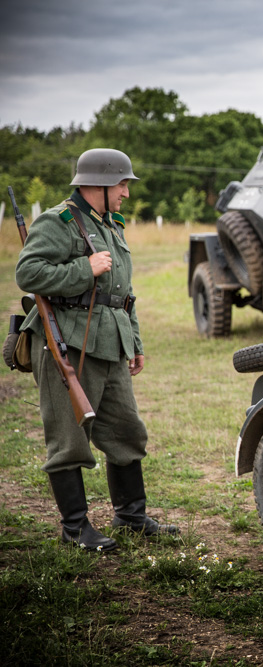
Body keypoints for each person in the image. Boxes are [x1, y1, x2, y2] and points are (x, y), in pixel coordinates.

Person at [15, 148, 178, 551]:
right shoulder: (59, 222)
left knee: (126, 431)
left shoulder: (110, 224)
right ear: (99, 185)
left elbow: (124, 293)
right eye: (122, 183)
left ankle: (131, 516)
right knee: (69, 439)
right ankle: (76, 529)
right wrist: (83, 270)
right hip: (67, 343)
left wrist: (134, 342)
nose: (126, 192)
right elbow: (28, 272)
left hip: (110, 342)